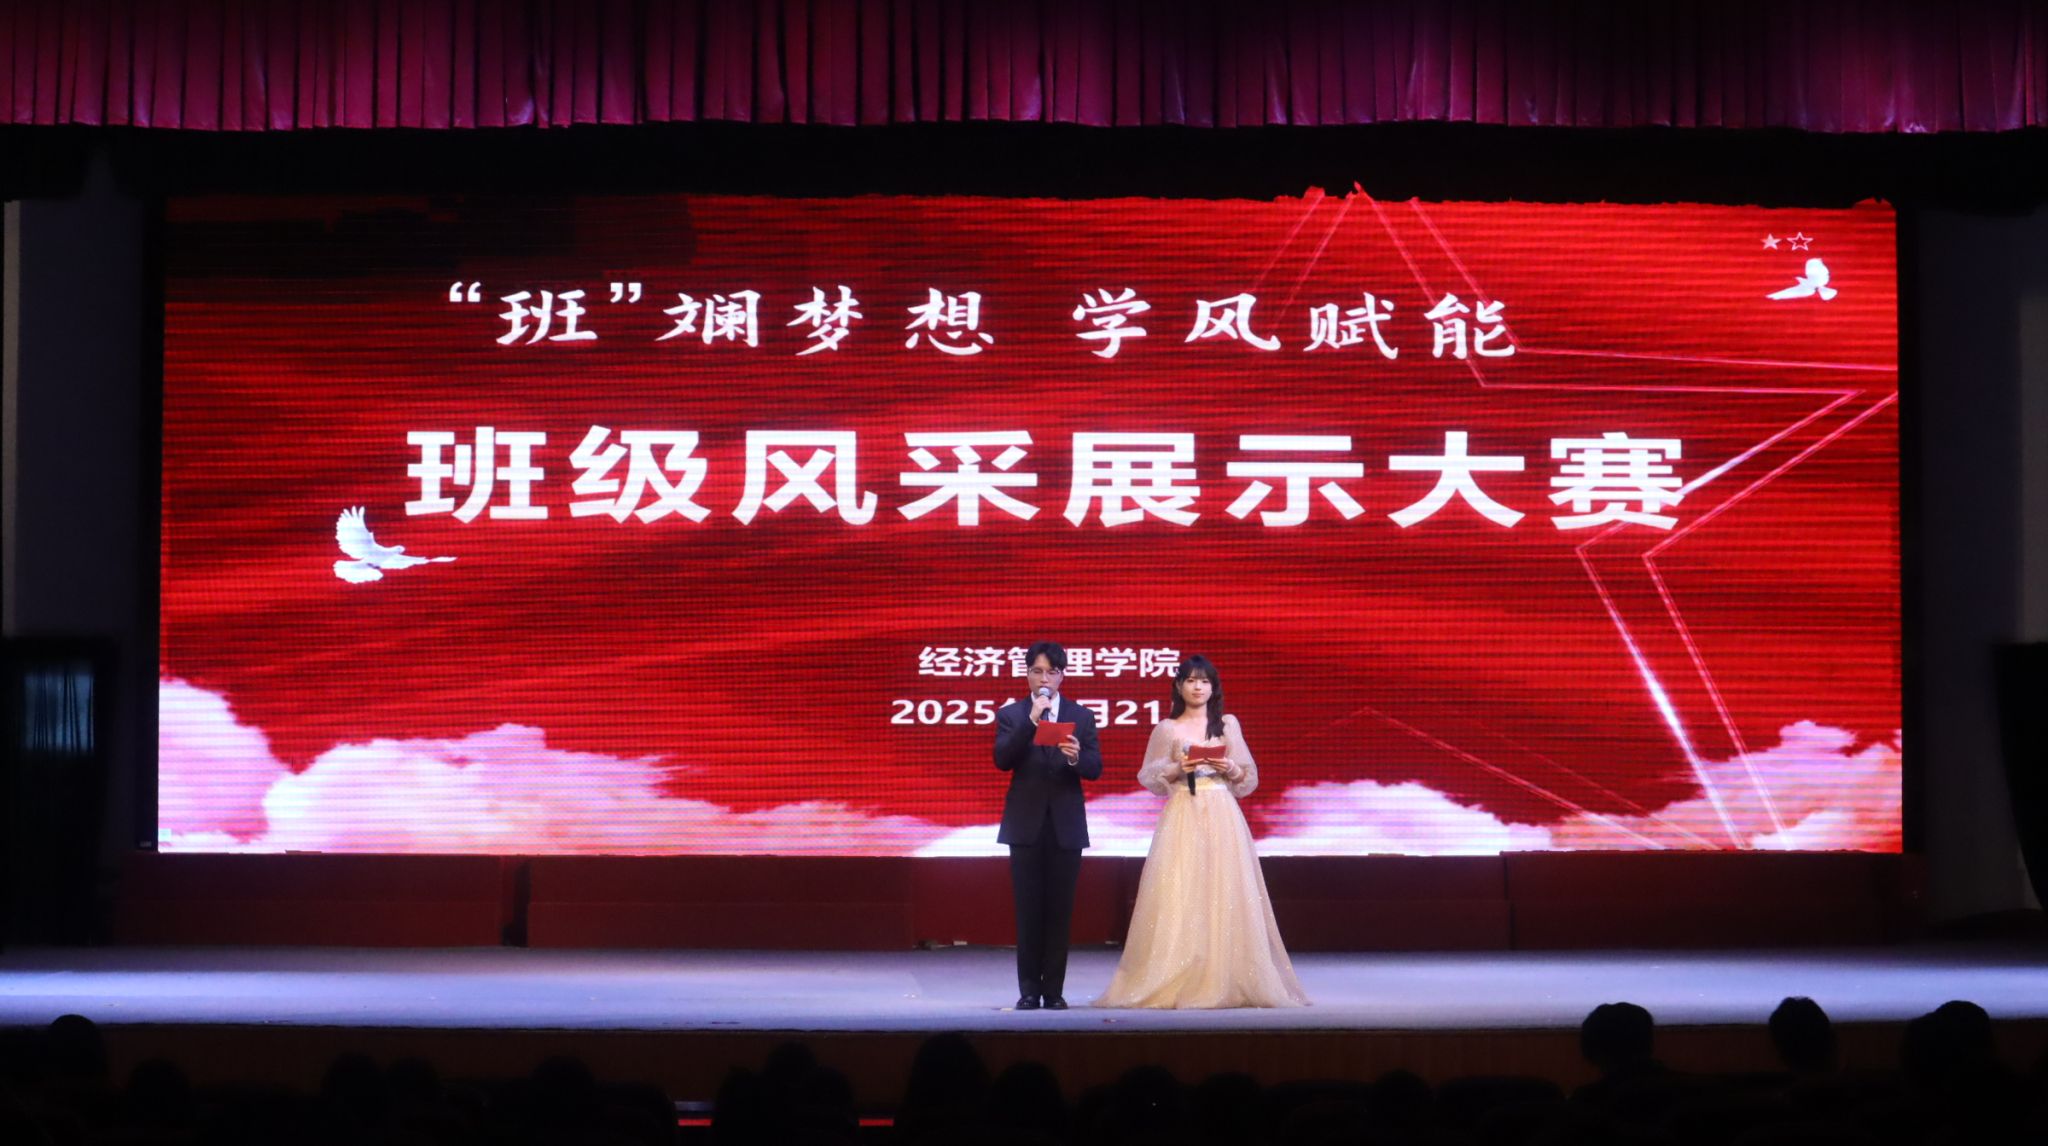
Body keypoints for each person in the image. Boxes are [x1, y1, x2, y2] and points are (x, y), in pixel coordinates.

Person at [1094, 655, 1308, 1009]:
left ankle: (1228, 975)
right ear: (1179, 686)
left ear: (1213, 687)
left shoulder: (1227, 724)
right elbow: (1148, 776)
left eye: (1204, 681)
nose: (1198, 687)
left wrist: (1229, 767)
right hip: (1183, 810)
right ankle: (1179, 973)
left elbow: (1247, 778)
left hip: (1222, 811)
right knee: (1180, 888)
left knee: (1226, 888)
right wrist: (1179, 767)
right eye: (1191, 680)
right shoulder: (1167, 728)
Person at [993, 641, 1103, 1010]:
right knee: (1028, 911)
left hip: (1066, 826)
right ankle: (1028, 991)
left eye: (1052, 672)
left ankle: (1054, 991)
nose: (1044, 679)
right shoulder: (1012, 714)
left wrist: (1075, 758)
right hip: (1025, 824)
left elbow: (1095, 768)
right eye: (1037, 672)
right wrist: (1032, 720)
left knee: (1059, 912)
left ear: (1062, 676)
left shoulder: (1081, 716)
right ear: (1027, 674)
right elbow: (1002, 759)